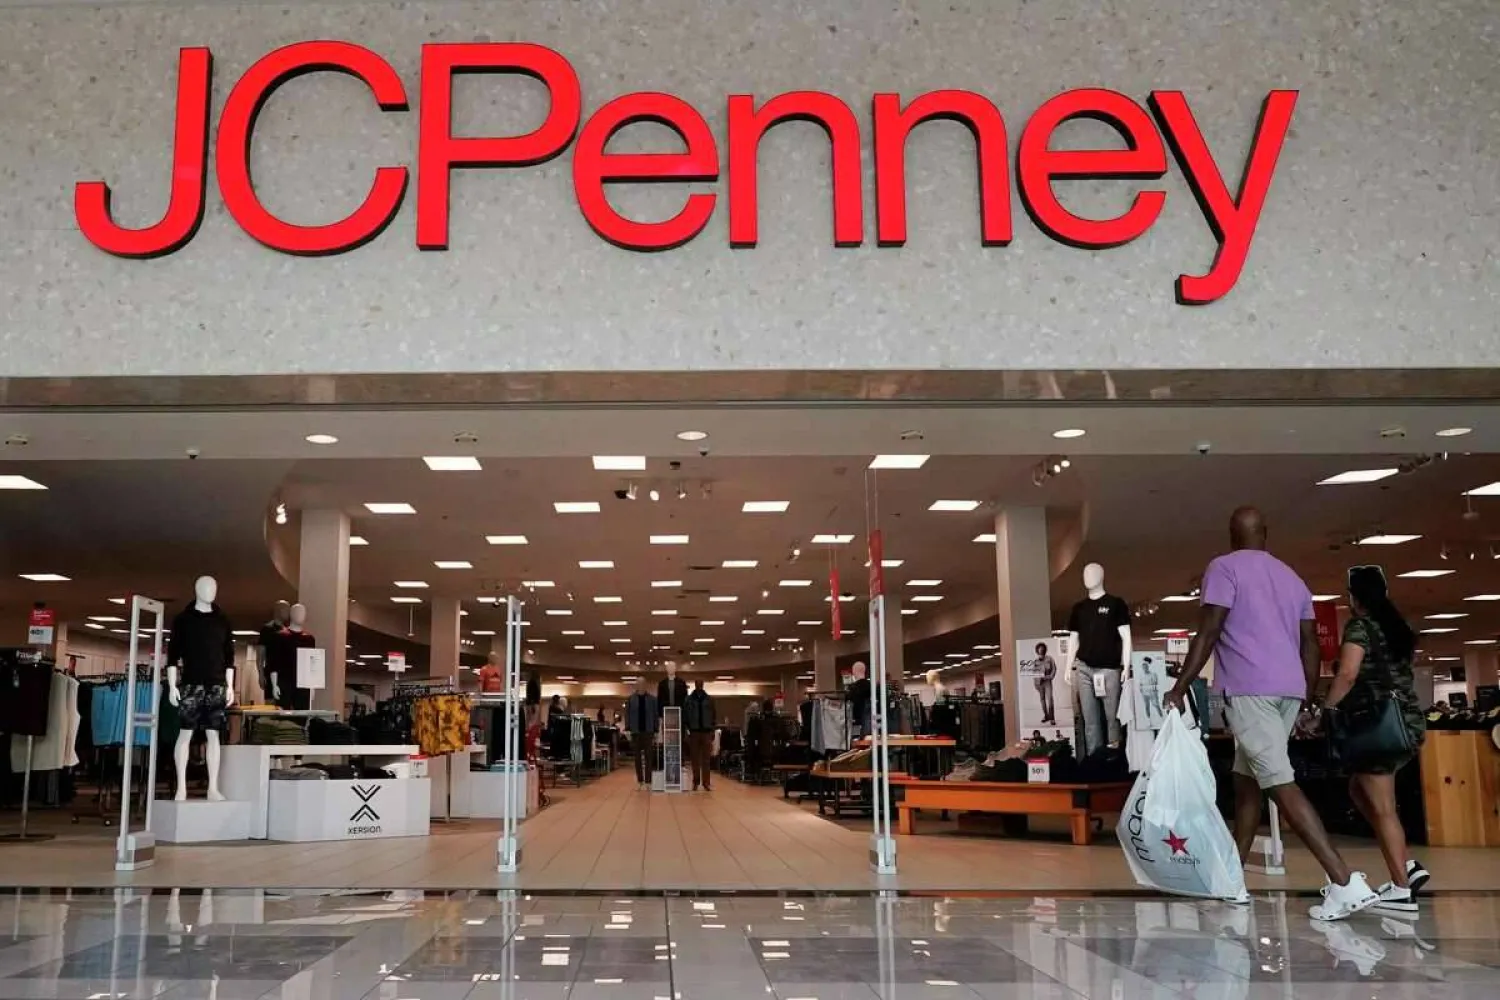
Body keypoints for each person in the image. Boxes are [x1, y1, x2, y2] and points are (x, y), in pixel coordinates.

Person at [1165, 506, 1379, 921]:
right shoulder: (1291, 577)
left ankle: (1343, 881)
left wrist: (1181, 684)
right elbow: (1311, 644)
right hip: (1287, 692)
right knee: (1247, 780)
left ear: (1231, 534)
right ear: (1266, 533)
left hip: (1250, 691)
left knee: (1280, 782)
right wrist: (1307, 693)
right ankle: (1231, 876)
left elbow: (1209, 629)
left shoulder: (1224, 568)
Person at [1320, 565, 1431, 913]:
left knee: (1383, 809)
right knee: (1359, 790)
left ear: (1354, 597)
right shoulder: (1396, 626)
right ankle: (1407, 866)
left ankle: (1400, 887)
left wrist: (1327, 708)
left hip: (1377, 728)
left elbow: (1349, 673)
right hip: (1406, 724)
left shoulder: (1360, 626)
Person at [624, 678, 659, 789]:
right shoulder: (631, 699)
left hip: (648, 732)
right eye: (638, 683)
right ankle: (640, 781)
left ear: (646, 684)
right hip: (636, 732)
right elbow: (627, 715)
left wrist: (656, 730)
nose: (641, 685)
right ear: (636, 685)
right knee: (637, 758)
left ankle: (648, 781)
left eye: (643, 683)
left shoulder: (652, 699)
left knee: (649, 757)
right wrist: (628, 729)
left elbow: (655, 715)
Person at [684, 679, 717, 791]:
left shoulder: (709, 699)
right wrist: (688, 728)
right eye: (697, 684)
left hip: (706, 731)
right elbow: (685, 716)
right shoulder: (689, 699)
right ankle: (695, 781)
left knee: (706, 759)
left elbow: (713, 715)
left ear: (703, 685)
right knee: (695, 759)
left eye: (701, 684)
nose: (699, 685)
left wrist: (712, 729)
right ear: (695, 685)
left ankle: (706, 783)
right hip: (694, 731)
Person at [1033, 642, 1057, 725]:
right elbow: (1034, 673)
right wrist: (1036, 685)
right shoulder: (1035, 661)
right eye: (1039, 650)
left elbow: (1054, 669)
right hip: (1039, 683)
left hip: (1047, 681)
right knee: (1042, 700)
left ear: (1044, 650)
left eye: (1042, 649)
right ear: (1037, 651)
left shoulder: (1049, 659)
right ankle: (1046, 716)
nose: (1041, 651)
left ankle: (1052, 718)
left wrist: (1050, 677)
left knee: (1050, 699)